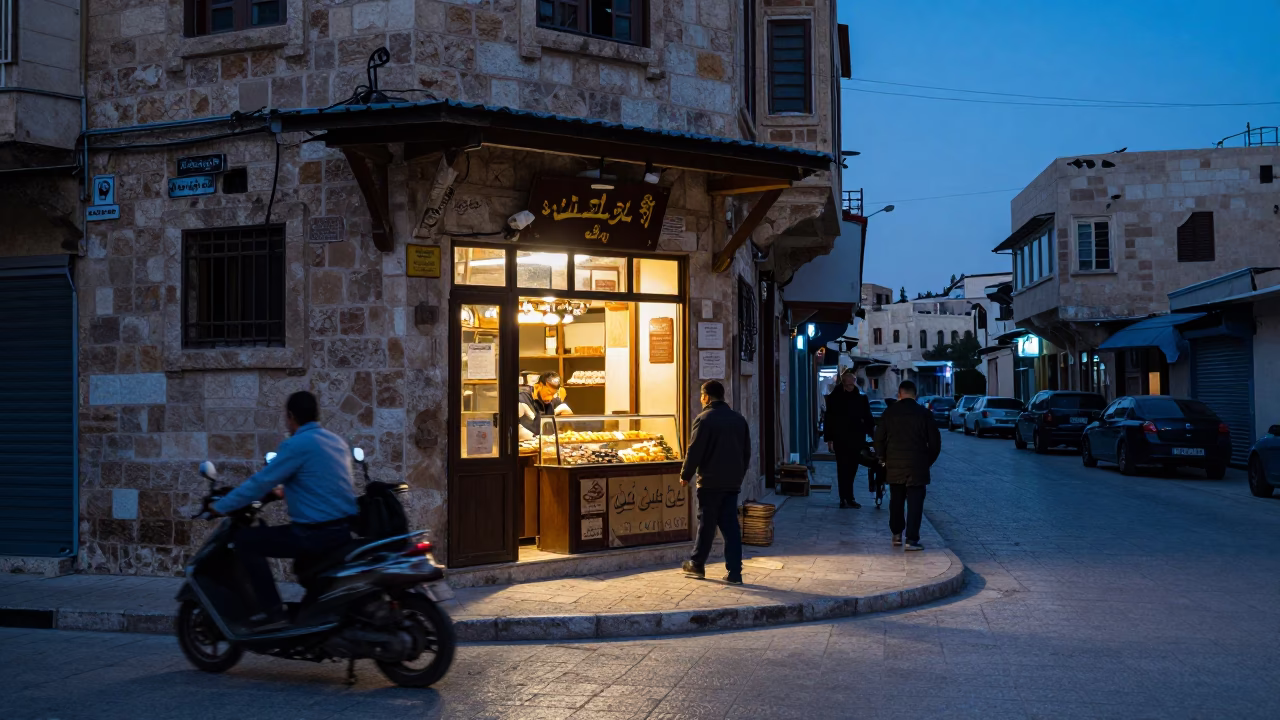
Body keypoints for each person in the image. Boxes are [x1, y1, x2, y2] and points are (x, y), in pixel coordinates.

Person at [211, 391, 359, 627]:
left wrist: (220, 506)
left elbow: (260, 483)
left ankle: (273, 613)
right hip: (341, 531)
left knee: (245, 540)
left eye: (286, 418)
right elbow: (320, 482)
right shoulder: (336, 442)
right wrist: (283, 492)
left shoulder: (296, 444)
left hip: (313, 534)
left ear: (290, 416)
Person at [680, 381, 751, 585]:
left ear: (707, 397)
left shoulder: (704, 419)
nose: (700, 399)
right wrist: (738, 476)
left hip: (710, 482)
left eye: (702, 395)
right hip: (731, 483)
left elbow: (695, 450)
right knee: (730, 527)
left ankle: (697, 564)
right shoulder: (739, 420)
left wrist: (686, 474)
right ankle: (735, 572)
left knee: (707, 524)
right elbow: (746, 453)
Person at [873, 380, 941, 551]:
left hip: (894, 465)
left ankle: (896, 534)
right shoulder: (924, 414)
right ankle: (911, 539)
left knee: (896, 501)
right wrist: (926, 462)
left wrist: (883, 458)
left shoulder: (889, 413)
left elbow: (878, 438)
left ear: (899, 394)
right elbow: (935, 443)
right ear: (915, 394)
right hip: (917, 466)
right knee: (915, 504)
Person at [823, 368, 874, 509]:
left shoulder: (861, 398)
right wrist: (829, 440)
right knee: (842, 468)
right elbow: (829, 419)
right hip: (840, 438)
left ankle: (849, 496)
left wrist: (873, 434)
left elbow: (867, 417)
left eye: (853, 383)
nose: (852, 386)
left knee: (852, 468)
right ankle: (843, 498)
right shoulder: (835, 398)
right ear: (844, 384)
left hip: (856, 438)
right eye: (849, 384)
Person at [517, 371, 573, 440]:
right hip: (526, 444)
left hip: (547, 445)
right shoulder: (522, 398)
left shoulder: (553, 399)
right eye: (548, 393)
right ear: (539, 386)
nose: (550, 398)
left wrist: (564, 433)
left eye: (553, 394)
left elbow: (566, 412)